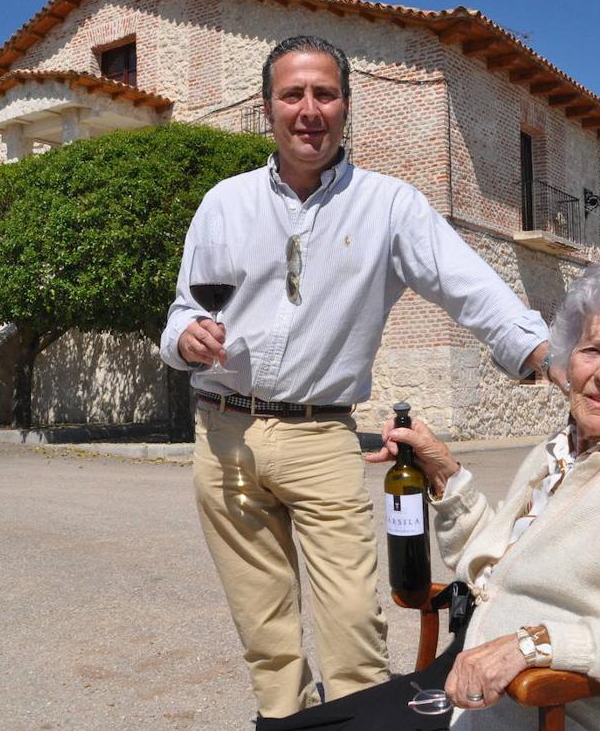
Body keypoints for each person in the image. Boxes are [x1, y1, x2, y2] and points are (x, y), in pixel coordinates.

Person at [159, 35, 554, 719]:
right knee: (268, 639)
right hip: (225, 436)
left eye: (324, 94)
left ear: (346, 107)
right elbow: (183, 311)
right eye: (292, 95)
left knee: (353, 637)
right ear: (266, 109)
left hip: (323, 437)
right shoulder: (224, 204)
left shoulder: (390, 206)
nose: (308, 110)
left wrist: (545, 353)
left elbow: (472, 288)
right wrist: (185, 340)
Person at [261, 263, 600, 730]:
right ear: (568, 360)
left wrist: (533, 646)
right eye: (592, 350)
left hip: (552, 711)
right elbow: (493, 565)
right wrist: (442, 470)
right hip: (470, 689)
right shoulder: (563, 449)